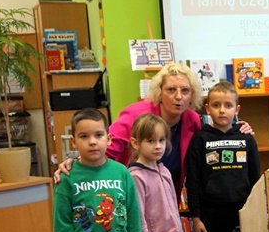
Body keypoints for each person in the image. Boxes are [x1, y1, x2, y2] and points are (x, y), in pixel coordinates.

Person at [56, 63, 253, 195]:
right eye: (171, 90)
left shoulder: (191, 119)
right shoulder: (135, 116)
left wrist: (240, 128)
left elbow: (213, 140)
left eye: (185, 91)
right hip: (130, 196)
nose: (178, 97)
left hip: (167, 199)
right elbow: (104, 148)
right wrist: (76, 163)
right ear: (159, 93)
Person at [185, 81, 262, 232]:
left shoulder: (247, 139)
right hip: (209, 215)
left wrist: (255, 212)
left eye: (228, 105)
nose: (222, 110)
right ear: (207, 107)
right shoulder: (200, 140)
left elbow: (256, 178)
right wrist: (196, 217)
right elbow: (192, 180)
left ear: (236, 109)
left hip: (239, 214)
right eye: (216, 105)